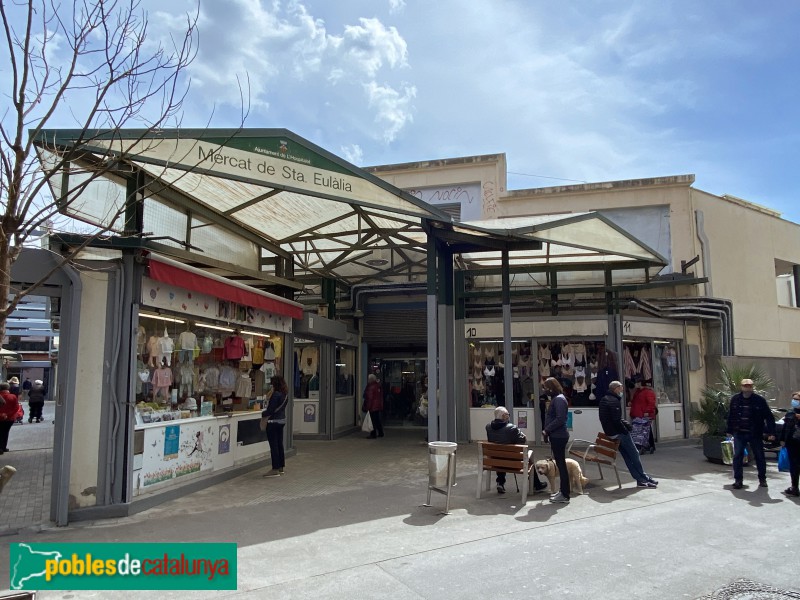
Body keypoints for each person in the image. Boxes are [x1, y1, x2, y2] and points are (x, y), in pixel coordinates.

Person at [599, 381, 658, 488]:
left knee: (627, 456)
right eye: (621, 389)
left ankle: (641, 478)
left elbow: (613, 418)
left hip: (611, 433)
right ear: (616, 389)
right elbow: (616, 420)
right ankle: (643, 478)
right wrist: (625, 431)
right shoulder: (613, 401)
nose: (622, 391)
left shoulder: (605, 399)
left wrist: (626, 424)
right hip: (618, 433)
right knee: (634, 454)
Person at [486, 406, 548, 495]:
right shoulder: (512, 428)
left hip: (494, 461)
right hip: (513, 463)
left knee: (500, 454)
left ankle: (500, 482)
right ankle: (536, 485)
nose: (509, 416)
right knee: (528, 458)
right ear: (504, 416)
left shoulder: (488, 427)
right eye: (508, 415)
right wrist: (522, 436)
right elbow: (522, 441)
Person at [726, 378, 775, 489]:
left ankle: (762, 479)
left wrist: (771, 432)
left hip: (755, 433)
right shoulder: (735, 399)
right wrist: (729, 430)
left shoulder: (759, 400)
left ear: (752, 387)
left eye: (749, 386)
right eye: (745, 386)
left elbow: (769, 417)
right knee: (738, 456)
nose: (747, 388)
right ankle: (738, 480)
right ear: (741, 387)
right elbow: (731, 415)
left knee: (759, 456)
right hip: (739, 433)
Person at [542, 377, 571, 503]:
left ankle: (565, 494)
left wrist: (547, 430)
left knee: (561, 465)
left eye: (546, 388)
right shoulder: (557, 398)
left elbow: (560, 419)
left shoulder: (559, 400)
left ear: (551, 387)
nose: (545, 390)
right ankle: (563, 491)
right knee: (560, 464)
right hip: (557, 435)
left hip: (559, 436)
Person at [262, 375, 290, 478]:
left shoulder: (276, 395)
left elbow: (270, 410)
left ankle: (275, 469)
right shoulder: (285, 394)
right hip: (281, 421)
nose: (271, 385)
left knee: (273, 445)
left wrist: (263, 414)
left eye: (272, 383)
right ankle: (281, 467)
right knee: (279, 444)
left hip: (273, 422)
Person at [778, 391, 800, 497]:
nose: (795, 401)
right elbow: (785, 427)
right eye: (794, 399)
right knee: (794, 466)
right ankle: (794, 487)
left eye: (797, 399)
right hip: (792, 442)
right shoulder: (791, 412)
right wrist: (782, 440)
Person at [629, 377, 657, 453]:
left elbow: (651, 403)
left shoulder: (647, 392)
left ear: (639, 383)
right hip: (639, 414)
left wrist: (647, 411)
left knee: (640, 432)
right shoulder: (638, 392)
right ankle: (649, 446)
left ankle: (642, 446)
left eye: (635, 383)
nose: (634, 384)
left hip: (643, 415)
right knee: (645, 431)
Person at [362, 373, 385, 439]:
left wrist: (367, 407)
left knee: (372, 421)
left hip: (372, 406)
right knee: (377, 420)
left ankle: (373, 434)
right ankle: (380, 432)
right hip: (377, 406)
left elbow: (369, 398)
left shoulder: (370, 387)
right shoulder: (378, 386)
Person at [0, 382, 20, 454]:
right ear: (8, 388)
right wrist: (7, 415)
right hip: (9, 418)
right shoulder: (13, 396)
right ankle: (3, 447)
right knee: (5, 432)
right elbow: (16, 407)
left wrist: (1, 414)